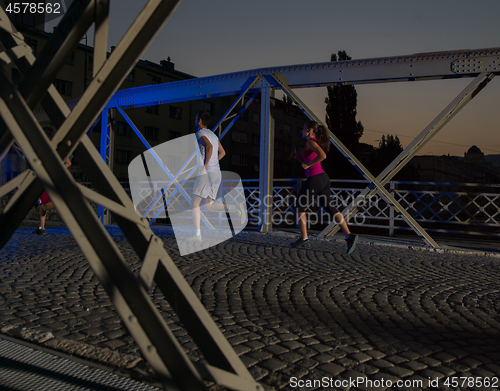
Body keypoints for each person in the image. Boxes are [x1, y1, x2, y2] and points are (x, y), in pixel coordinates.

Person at [291, 120, 358, 253]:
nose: (301, 131)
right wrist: (298, 157)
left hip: (315, 178)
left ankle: (304, 239)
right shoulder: (313, 143)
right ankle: (349, 236)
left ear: (310, 130)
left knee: (299, 206)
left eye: (303, 128)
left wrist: (308, 164)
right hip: (322, 178)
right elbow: (310, 161)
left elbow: (323, 156)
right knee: (330, 208)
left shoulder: (310, 142)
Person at [188, 111, 246, 241]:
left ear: (200, 121)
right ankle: (235, 208)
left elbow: (208, 147)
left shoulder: (200, 133)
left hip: (207, 173)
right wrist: (213, 164)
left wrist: (205, 166)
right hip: (216, 173)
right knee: (209, 205)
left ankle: (197, 234)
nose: (195, 121)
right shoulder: (213, 135)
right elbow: (223, 152)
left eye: (196, 119)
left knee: (195, 203)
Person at [32, 157, 72, 235]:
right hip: (55, 184)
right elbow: (69, 163)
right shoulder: (56, 164)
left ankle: (62, 201)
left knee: (43, 206)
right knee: (42, 206)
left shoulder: (48, 163)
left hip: (46, 184)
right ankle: (41, 227)